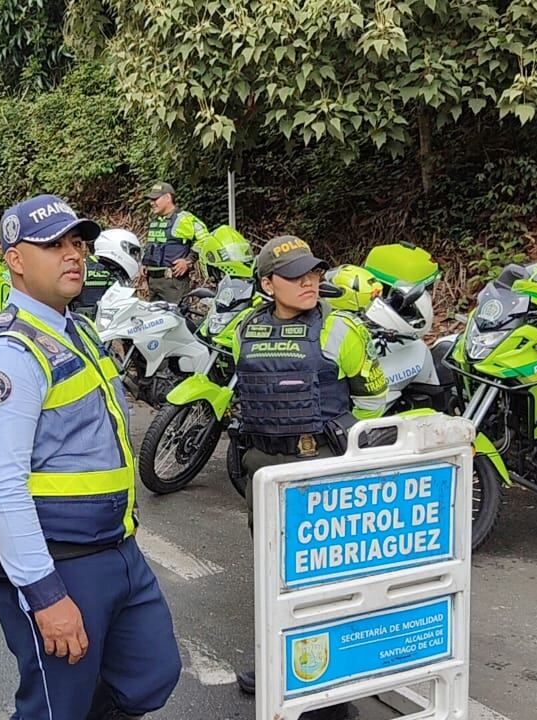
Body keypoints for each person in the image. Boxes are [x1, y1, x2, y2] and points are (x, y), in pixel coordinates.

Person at [0, 194, 181, 720]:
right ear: (15, 259)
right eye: (54, 244)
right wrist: (44, 595)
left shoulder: (78, 330)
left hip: (116, 549)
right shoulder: (9, 356)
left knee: (152, 673)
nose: (73, 254)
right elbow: (3, 488)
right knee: (56, 707)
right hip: (59, 563)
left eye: (78, 243)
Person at [231, 235, 388, 720]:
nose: (309, 281)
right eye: (296, 275)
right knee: (273, 573)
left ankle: (332, 688)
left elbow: (373, 400)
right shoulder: (245, 328)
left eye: (314, 273)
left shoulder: (341, 329)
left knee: (326, 576)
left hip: (319, 464)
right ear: (266, 284)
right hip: (262, 466)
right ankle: (279, 662)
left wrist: (346, 450)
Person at [141, 181, 212, 302]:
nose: (151, 203)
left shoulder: (183, 218)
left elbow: (205, 239)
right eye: (150, 200)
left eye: (155, 199)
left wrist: (188, 261)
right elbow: (153, 245)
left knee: (177, 319)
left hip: (173, 282)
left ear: (168, 197)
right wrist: (144, 262)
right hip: (153, 282)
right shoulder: (155, 220)